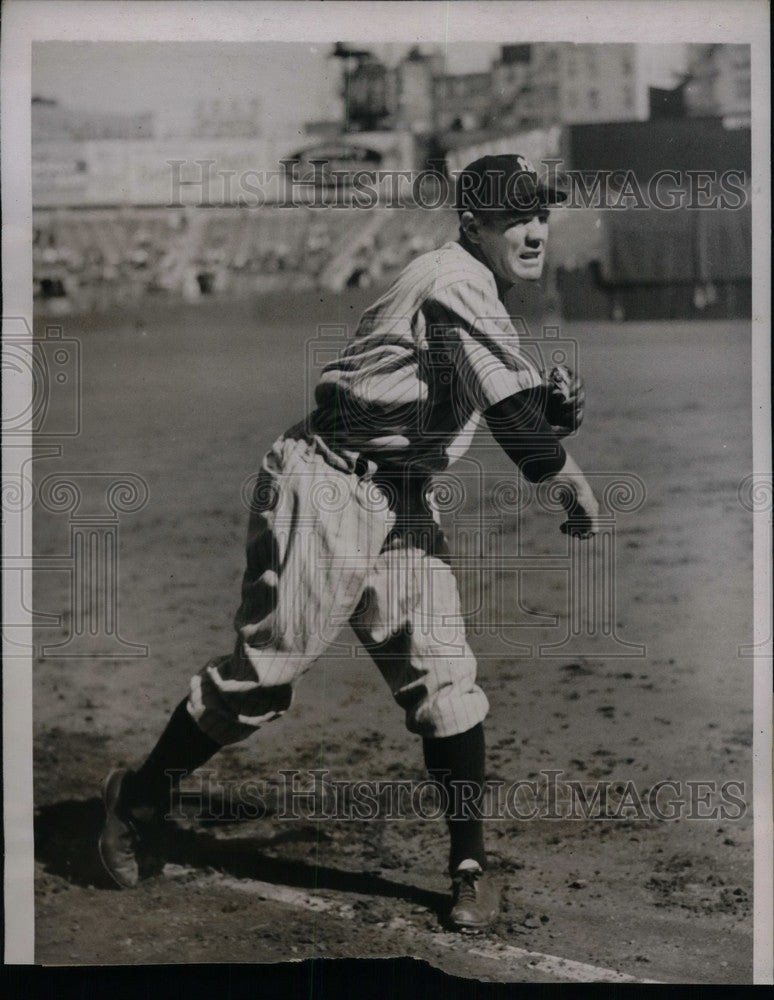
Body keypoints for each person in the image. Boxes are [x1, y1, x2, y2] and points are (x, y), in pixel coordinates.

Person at [99, 154, 600, 933]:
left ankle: (469, 864)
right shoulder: (456, 278)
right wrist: (565, 470)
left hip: (400, 495)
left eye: (542, 214)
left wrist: (556, 410)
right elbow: (517, 430)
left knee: (446, 678)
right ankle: (135, 799)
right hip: (327, 486)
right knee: (263, 677)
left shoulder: (475, 289)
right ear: (473, 223)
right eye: (514, 217)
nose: (534, 230)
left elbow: (512, 404)